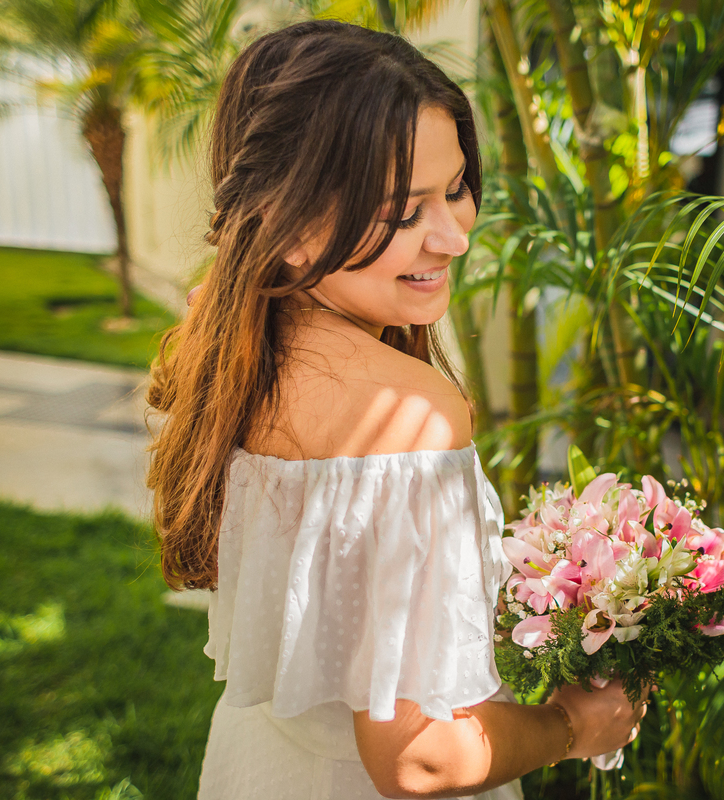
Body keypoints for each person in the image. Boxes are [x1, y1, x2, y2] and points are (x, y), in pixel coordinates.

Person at [147, 20, 647, 800]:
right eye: (404, 211)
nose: (452, 237)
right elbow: (420, 756)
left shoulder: (224, 348)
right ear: (289, 224)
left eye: (455, 190)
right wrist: (574, 725)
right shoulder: (409, 419)